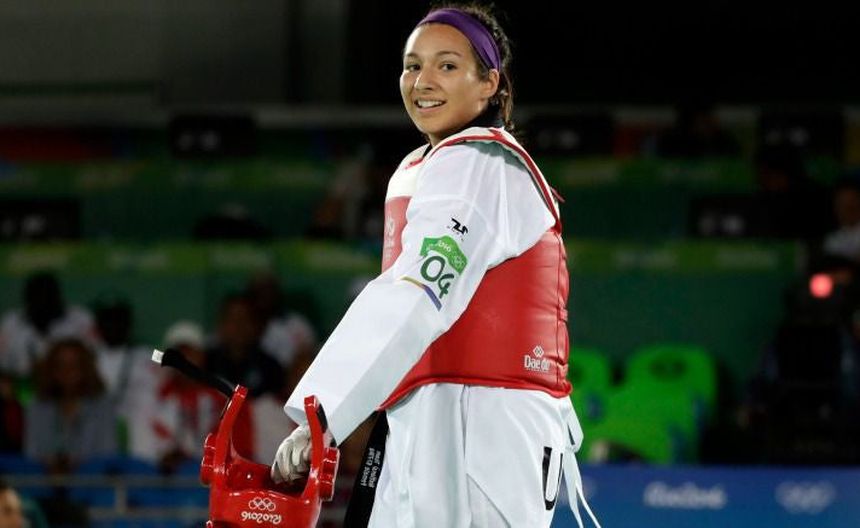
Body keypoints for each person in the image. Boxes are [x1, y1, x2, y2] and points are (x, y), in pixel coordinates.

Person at [270, 5, 598, 527]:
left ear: (489, 83)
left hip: (485, 423)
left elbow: (418, 293)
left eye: (447, 65)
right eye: (412, 65)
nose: (423, 81)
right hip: (425, 413)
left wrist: (323, 411)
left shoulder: (481, 163)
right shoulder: (423, 168)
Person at [24, 338, 116, 474]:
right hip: (45, 480)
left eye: (74, 366)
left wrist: (74, 465)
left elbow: (107, 455)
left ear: (85, 369)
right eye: (60, 366)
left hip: (90, 480)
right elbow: (31, 455)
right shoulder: (37, 406)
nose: (66, 372)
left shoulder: (102, 405)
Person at [0, 272, 95, 378]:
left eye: (47, 296)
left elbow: (93, 355)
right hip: (22, 382)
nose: (42, 301)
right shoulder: (10, 322)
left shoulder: (80, 319)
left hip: (72, 383)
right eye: (37, 296)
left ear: (57, 297)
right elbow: (3, 364)